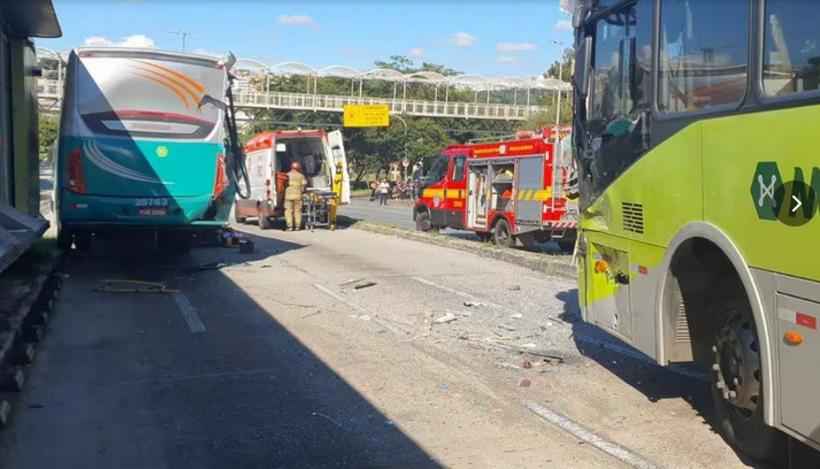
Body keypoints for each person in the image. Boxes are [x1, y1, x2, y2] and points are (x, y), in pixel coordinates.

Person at [284, 161, 307, 231]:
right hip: (298, 196)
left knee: (288, 211)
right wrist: (302, 191)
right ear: (298, 168)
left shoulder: (287, 175)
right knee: (297, 211)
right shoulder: (301, 176)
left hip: (288, 196)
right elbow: (304, 185)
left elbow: (283, 185)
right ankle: (297, 226)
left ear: (291, 167)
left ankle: (290, 226)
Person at [329, 161, 344, 230]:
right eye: (337, 168)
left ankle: (333, 224)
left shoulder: (339, 175)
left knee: (333, 211)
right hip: (334, 195)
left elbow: (335, 180)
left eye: (339, 168)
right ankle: (332, 223)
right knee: (332, 210)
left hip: (336, 195)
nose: (338, 169)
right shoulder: (338, 175)